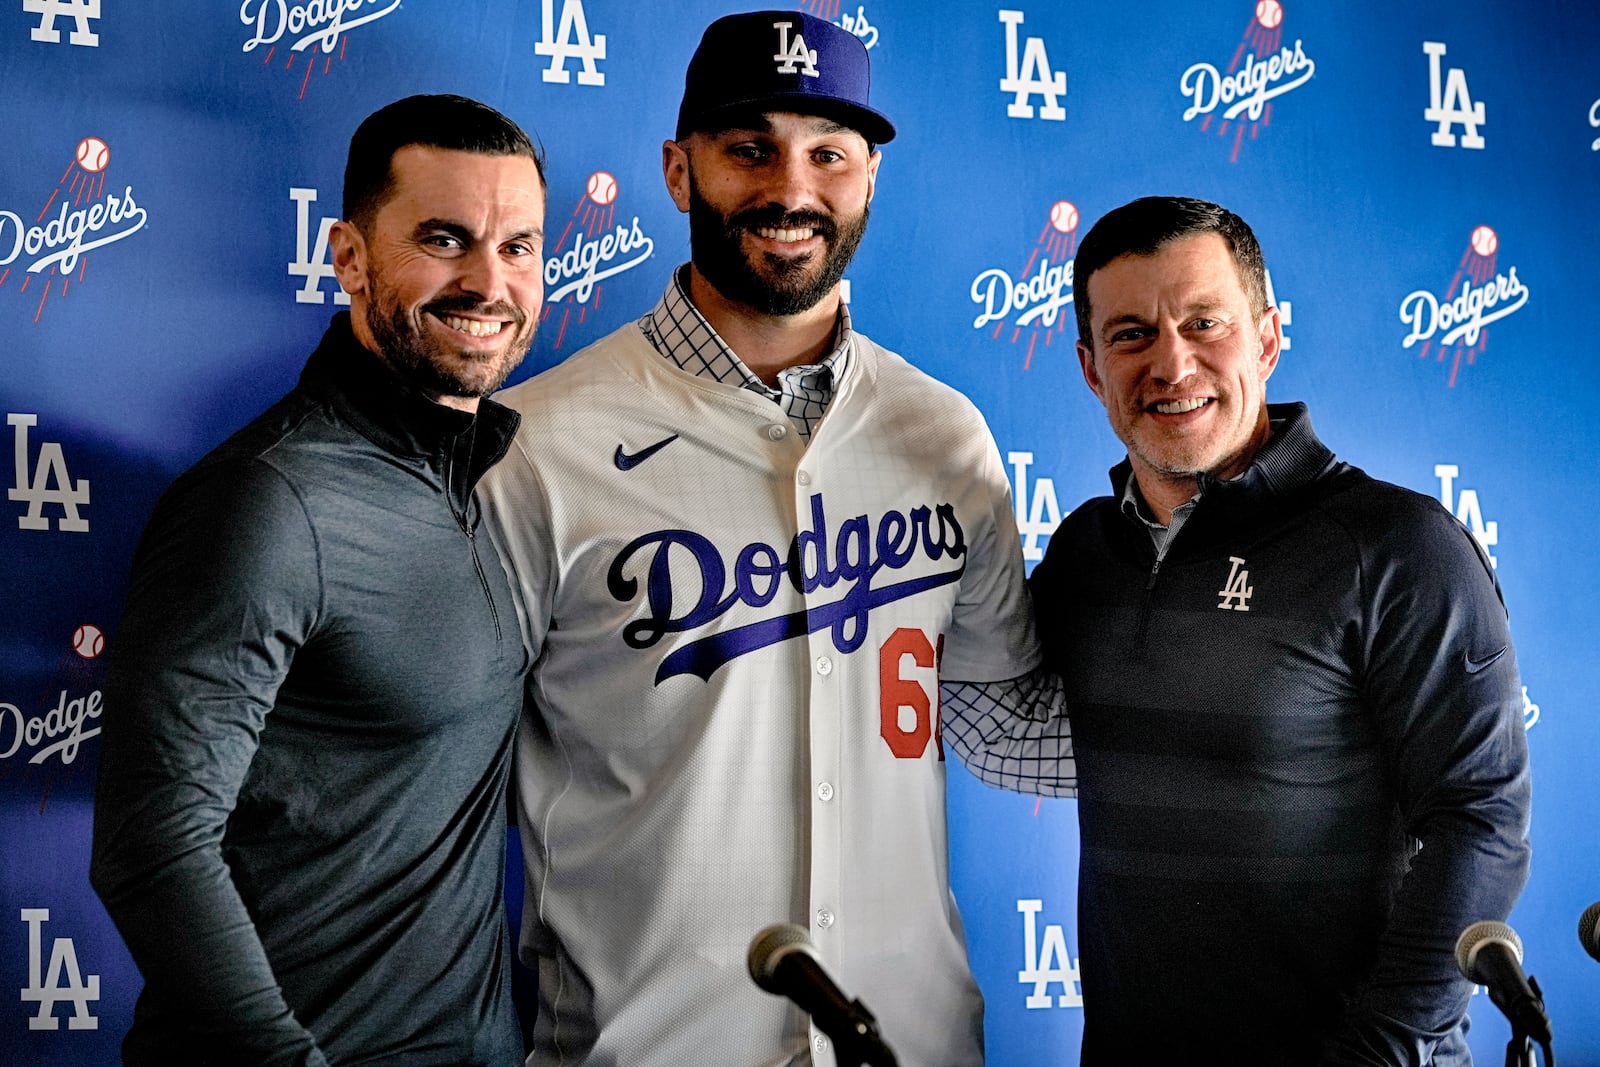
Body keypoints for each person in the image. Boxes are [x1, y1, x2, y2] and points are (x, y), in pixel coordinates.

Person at [480, 11, 1070, 1065]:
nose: (790, 188)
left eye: (828, 154)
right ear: (677, 168)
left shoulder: (945, 435)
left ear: (871, 177)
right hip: (644, 1045)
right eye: (748, 148)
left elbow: (1000, 721)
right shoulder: (538, 441)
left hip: (911, 1039)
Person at [89, 94, 546, 1066]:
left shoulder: (475, 476)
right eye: (444, 238)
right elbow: (152, 840)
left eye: (520, 247)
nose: (489, 281)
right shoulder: (267, 498)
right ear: (347, 257)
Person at [1029, 195, 1532, 1062]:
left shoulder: (1395, 544)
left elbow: (1479, 816)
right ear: (1088, 366)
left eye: (1203, 322)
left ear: (1265, 339)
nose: (1172, 363)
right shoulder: (1083, 551)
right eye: (1131, 334)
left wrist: (1377, 1052)